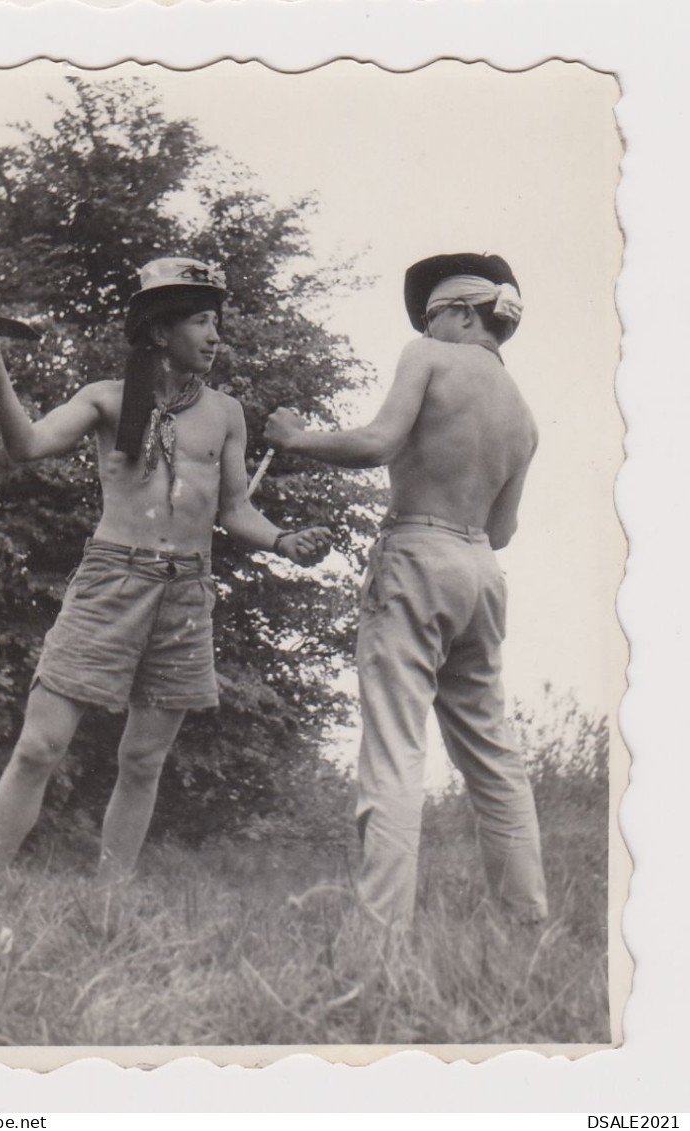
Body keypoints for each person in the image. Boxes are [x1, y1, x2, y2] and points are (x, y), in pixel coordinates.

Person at [0, 257, 331, 889]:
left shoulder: (227, 413)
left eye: (217, 322)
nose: (216, 337)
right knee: (39, 747)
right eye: (202, 322)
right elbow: (26, 445)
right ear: (160, 332)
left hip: (186, 591)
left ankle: (109, 908)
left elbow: (235, 509)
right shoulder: (106, 398)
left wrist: (283, 540)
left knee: (142, 759)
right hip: (111, 580)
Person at [264, 252, 548, 931]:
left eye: (429, 314)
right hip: (480, 568)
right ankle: (526, 925)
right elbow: (502, 529)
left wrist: (296, 437)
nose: (425, 326)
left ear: (456, 312)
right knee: (491, 753)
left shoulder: (427, 355)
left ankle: (380, 939)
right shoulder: (523, 412)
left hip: (417, 553)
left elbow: (376, 442)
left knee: (394, 748)